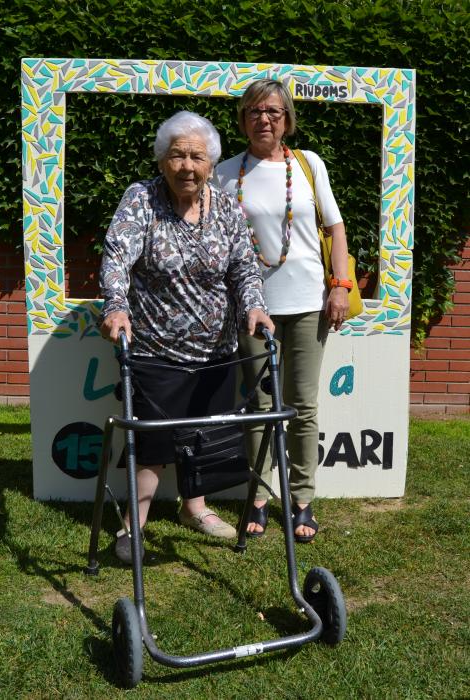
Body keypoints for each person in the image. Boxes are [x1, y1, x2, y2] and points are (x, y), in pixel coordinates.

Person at [99, 110, 274, 564]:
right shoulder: (141, 199)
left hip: (216, 350)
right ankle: (133, 525)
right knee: (152, 445)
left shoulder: (227, 208)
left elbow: (245, 268)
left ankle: (194, 508)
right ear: (162, 160)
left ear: (211, 164)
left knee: (206, 439)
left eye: (197, 157)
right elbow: (117, 257)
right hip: (155, 349)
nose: (187, 166)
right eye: (177, 155)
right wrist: (116, 305)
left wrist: (254, 305)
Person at [215, 79, 350, 543]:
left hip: (310, 303)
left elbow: (335, 228)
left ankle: (302, 498)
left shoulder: (309, 164)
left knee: (303, 405)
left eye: (273, 111)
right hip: (254, 309)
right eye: (254, 111)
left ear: (287, 119)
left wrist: (340, 287)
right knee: (259, 406)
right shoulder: (224, 173)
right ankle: (257, 497)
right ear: (243, 120)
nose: (264, 119)